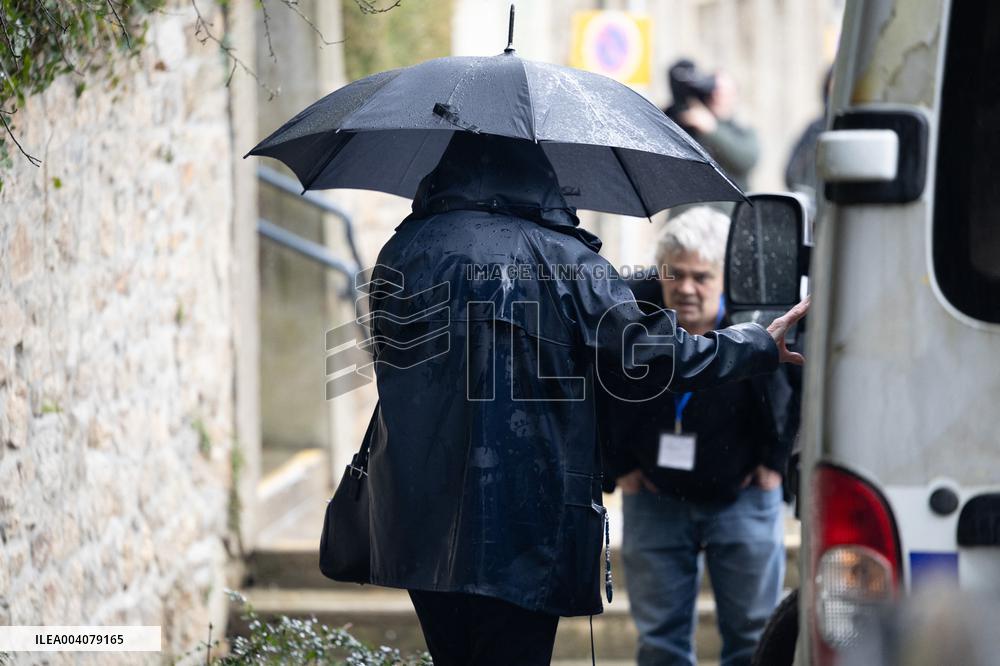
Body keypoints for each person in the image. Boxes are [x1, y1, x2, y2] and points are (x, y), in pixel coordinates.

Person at [361, 133, 808, 666]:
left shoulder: (404, 248)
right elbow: (650, 354)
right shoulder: (566, 260)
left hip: (419, 505)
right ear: (538, 177)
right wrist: (757, 342)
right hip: (527, 508)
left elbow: (390, 356)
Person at [603, 206, 796, 666]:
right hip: (654, 495)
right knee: (659, 640)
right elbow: (600, 387)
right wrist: (618, 466)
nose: (687, 289)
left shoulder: (759, 313)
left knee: (752, 635)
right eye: (677, 276)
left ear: (726, 277)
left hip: (743, 494)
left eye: (702, 278)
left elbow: (799, 386)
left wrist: (776, 460)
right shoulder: (631, 312)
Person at [665, 60, 760, 193]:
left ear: (735, 95)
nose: (717, 95)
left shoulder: (743, 131)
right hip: (688, 209)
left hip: (729, 210)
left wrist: (711, 129)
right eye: (713, 88)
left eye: (723, 91)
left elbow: (746, 160)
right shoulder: (686, 124)